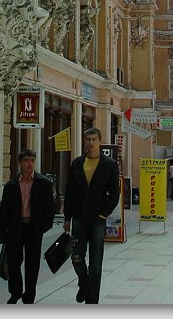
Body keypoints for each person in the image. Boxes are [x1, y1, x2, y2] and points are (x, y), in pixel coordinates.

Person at [63, 128, 120, 304]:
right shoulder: (77, 163)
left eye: (94, 139)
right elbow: (70, 191)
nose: (91, 142)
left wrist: (103, 214)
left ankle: (92, 302)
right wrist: (67, 217)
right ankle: (84, 283)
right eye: (88, 139)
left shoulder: (109, 164)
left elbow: (114, 194)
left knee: (95, 263)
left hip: (97, 219)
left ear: (100, 141)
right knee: (76, 257)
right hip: (79, 217)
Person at [0, 149, 56, 304]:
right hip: (16, 228)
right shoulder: (12, 184)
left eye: (32, 160)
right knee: (13, 262)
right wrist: (2, 233)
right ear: (20, 163)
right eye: (26, 160)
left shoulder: (43, 183)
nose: (30, 164)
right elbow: (4, 210)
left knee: (32, 264)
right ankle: (15, 292)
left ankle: (29, 295)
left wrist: (44, 226)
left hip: (34, 229)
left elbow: (50, 207)